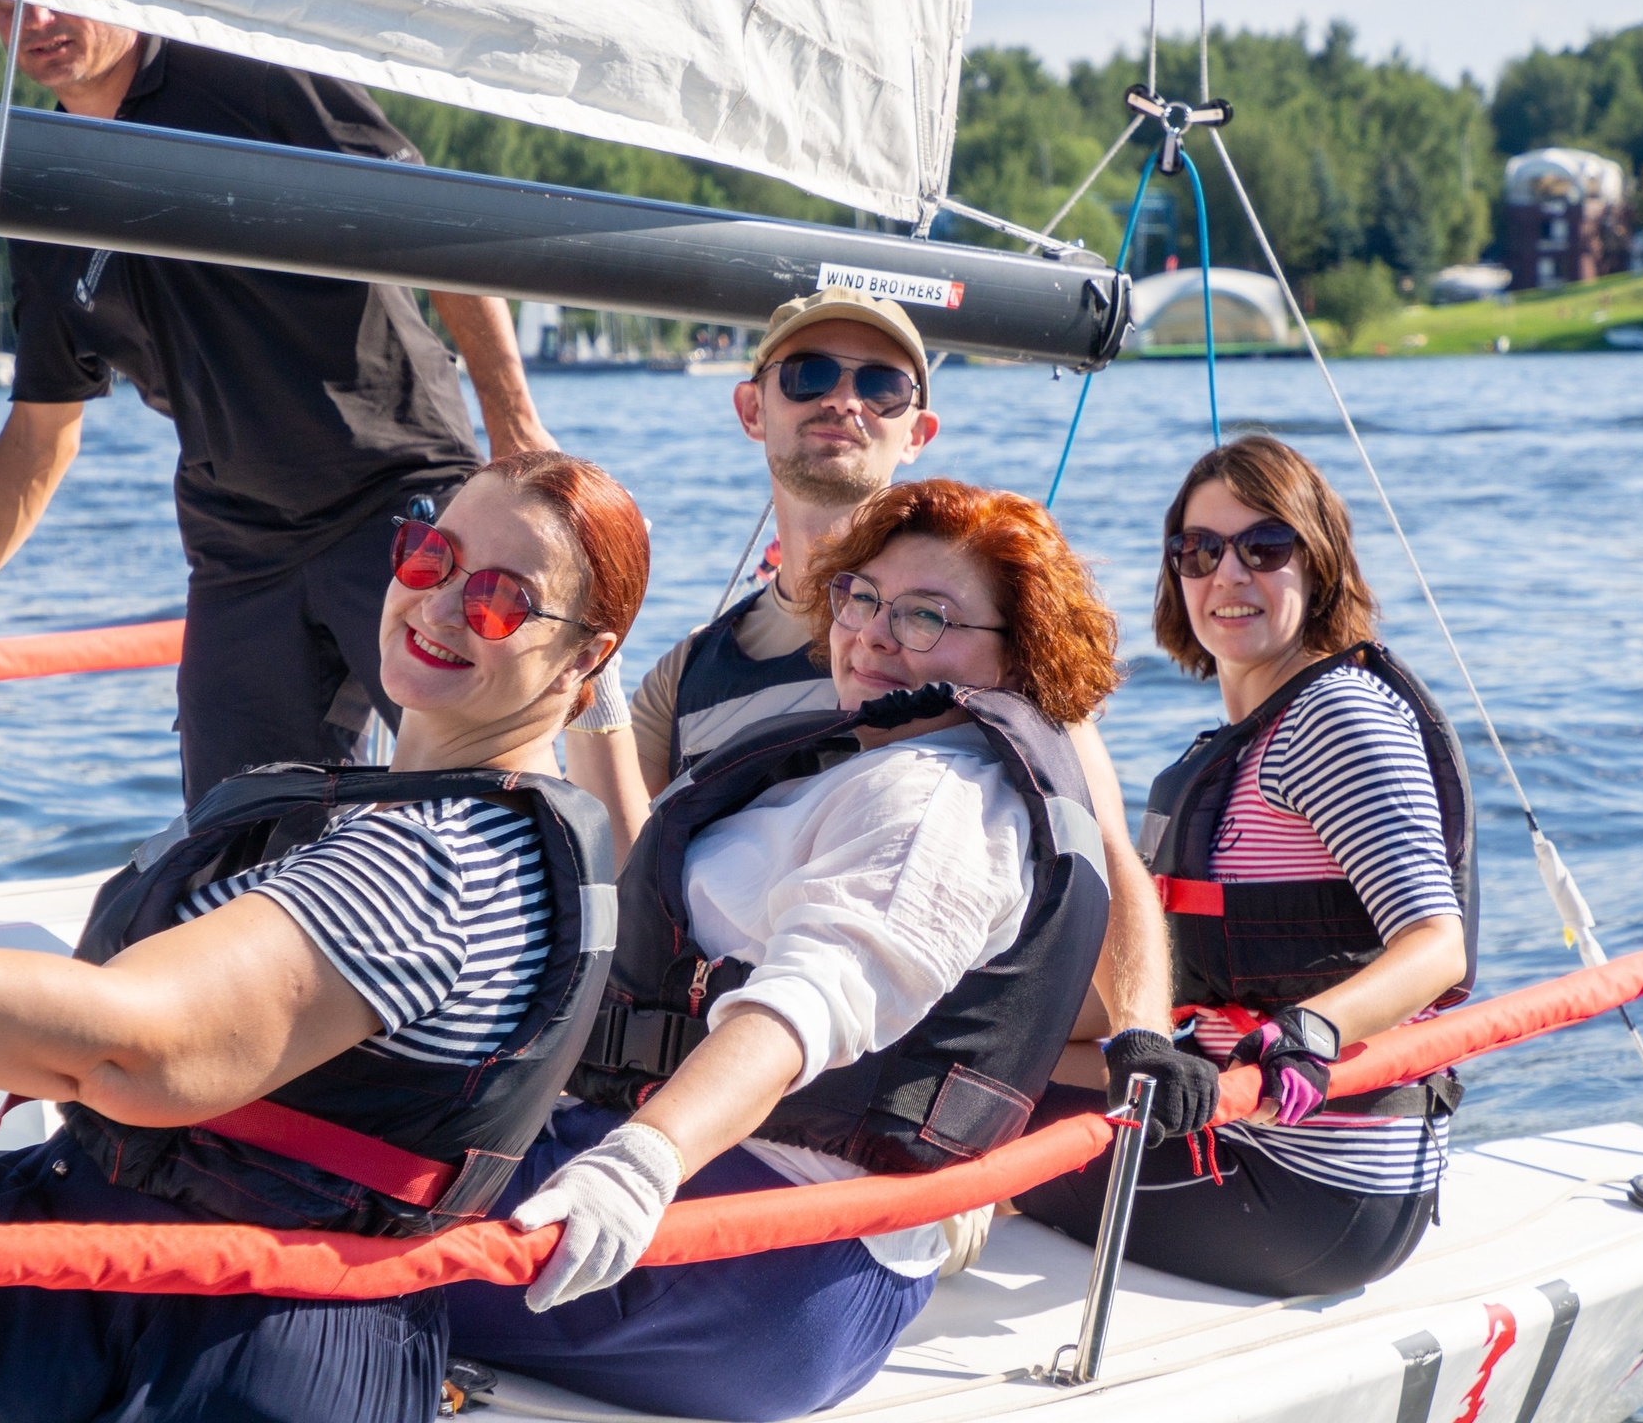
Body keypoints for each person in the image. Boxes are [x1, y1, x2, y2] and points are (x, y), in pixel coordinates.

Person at [0, 454, 647, 1422]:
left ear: (586, 659)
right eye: (431, 557)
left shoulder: (440, 859)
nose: (438, 606)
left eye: (502, 600)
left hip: (184, 1333)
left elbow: (129, 1047)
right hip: (237, 1304)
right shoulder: (428, 818)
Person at [448, 479, 1119, 1421]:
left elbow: (809, 1002)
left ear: (1021, 655)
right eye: (862, 598)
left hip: (752, 1259)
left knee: (300, 1206)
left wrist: (641, 1162)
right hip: (783, 1265)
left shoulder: (934, 801)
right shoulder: (876, 769)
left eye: (928, 616)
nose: (875, 635)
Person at [0, 0, 556, 805]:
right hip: (239, 547)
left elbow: (434, 218)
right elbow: (43, 434)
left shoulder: (253, 74)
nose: (33, 17)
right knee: (232, 830)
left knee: (482, 790)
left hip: (394, 495)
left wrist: (514, 422)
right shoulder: (41, 184)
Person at [564, 286, 1196, 1144]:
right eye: (809, 374)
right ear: (752, 408)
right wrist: (580, 659)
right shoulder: (688, 676)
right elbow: (632, 880)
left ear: (918, 430)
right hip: (726, 1084)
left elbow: (1105, 853)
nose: (843, 400)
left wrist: (1143, 1035)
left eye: (881, 386)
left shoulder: (985, 649)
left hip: (888, 1095)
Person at [1017, 436, 1476, 1298]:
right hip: (1261, 1143)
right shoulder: (1251, 739)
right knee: (974, 1066)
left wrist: (1312, 1032)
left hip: (1307, 1187)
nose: (1227, 574)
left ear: (1320, 562)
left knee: (960, 1115)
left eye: (1265, 547)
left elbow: (1436, 945)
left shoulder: (1335, 716)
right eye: (1198, 550)